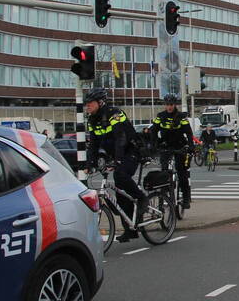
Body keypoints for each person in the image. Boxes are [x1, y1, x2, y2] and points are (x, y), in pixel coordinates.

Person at [83, 87, 147, 242]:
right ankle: (130, 229)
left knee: (120, 175)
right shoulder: (92, 120)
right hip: (117, 155)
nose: (87, 106)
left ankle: (142, 198)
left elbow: (121, 139)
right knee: (120, 193)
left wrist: (117, 160)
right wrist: (89, 164)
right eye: (86, 104)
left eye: (90, 103)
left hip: (130, 151)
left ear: (100, 102)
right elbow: (93, 144)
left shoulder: (115, 114)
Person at [148, 93, 194, 209]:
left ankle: (186, 197)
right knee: (164, 172)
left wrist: (190, 146)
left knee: (181, 172)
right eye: (167, 104)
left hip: (179, 147)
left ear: (175, 105)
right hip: (166, 147)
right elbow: (153, 130)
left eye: (171, 104)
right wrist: (154, 144)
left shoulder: (181, 117)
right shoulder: (161, 116)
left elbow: (188, 132)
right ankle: (163, 196)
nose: (169, 107)